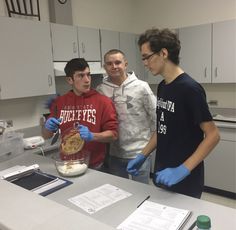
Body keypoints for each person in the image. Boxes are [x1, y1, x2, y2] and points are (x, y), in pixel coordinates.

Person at [126, 28, 220, 198]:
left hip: (185, 178)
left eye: (146, 57)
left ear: (163, 53)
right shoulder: (163, 86)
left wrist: (183, 169)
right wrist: (143, 155)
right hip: (162, 172)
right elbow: (161, 128)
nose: (144, 63)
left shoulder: (190, 89)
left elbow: (213, 135)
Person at [42, 58, 118, 170]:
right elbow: (46, 135)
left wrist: (92, 136)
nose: (87, 80)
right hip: (67, 164)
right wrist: (47, 126)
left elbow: (114, 135)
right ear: (69, 80)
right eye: (81, 76)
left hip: (95, 166)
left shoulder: (103, 102)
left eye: (88, 75)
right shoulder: (60, 102)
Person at [96, 49, 156, 184]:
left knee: (141, 193)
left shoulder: (142, 87)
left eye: (118, 62)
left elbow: (157, 118)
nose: (114, 66)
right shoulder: (100, 90)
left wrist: (148, 150)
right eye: (109, 64)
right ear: (105, 67)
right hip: (113, 154)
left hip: (140, 153)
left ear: (126, 64)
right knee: (119, 192)